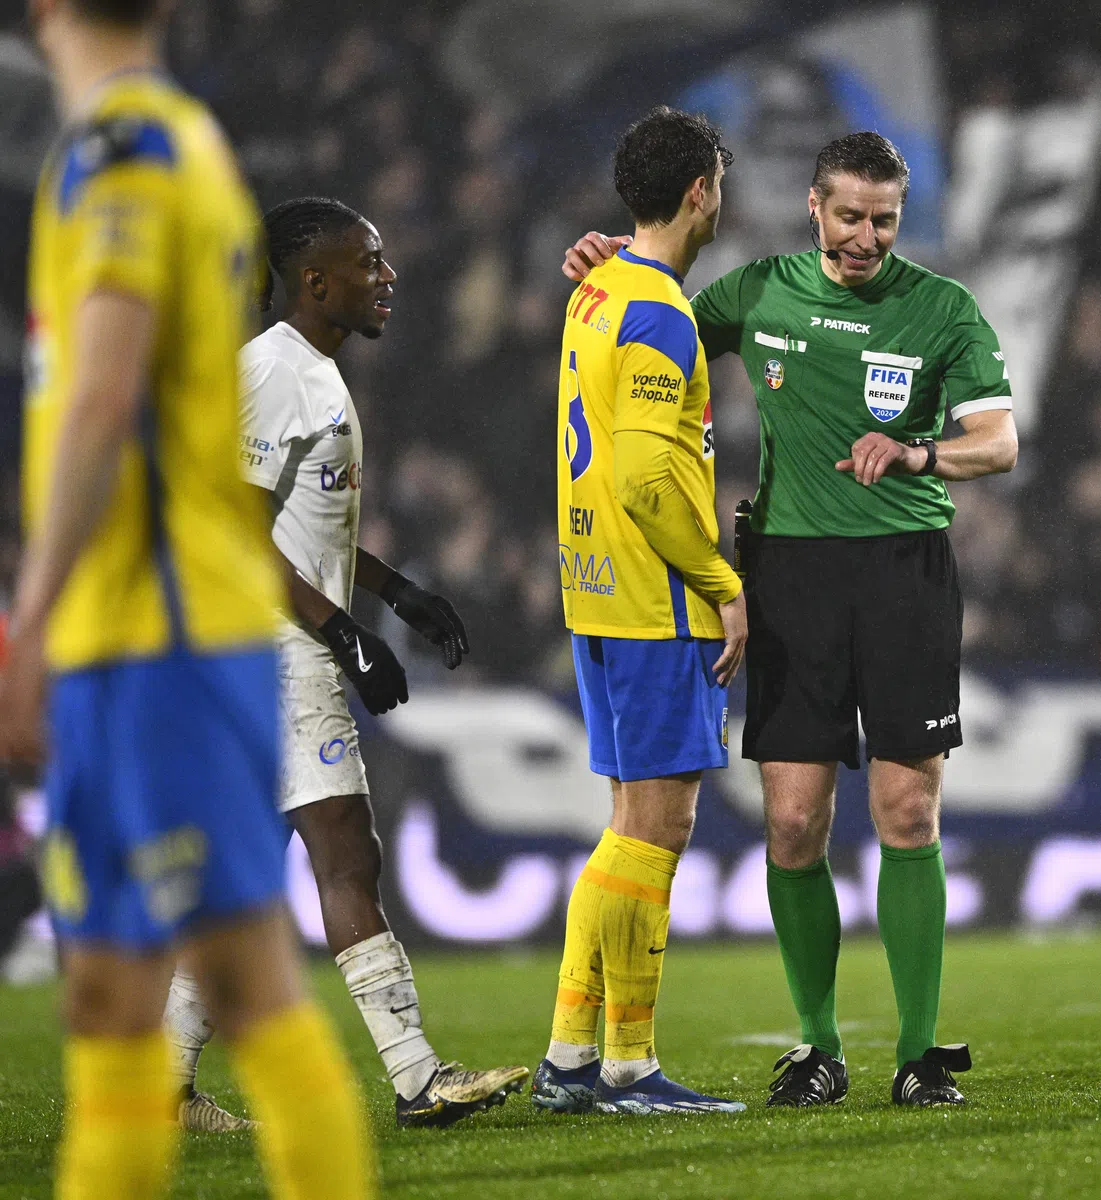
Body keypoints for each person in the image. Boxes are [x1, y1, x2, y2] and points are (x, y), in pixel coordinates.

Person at [562, 129, 1019, 1108]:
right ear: (814, 207)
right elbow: (656, 318)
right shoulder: (757, 291)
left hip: (904, 573)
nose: (865, 238)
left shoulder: (943, 310)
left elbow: (999, 439)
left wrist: (918, 454)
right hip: (790, 577)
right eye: (849, 216)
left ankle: (919, 1053)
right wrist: (612, 263)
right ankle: (817, 1049)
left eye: (884, 220)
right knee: (794, 821)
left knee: (907, 810)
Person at [0, 1, 373, 1196]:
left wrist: (31, 615)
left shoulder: (126, 152)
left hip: (158, 628)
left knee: (245, 981)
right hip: (140, 628)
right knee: (110, 997)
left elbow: (102, 396)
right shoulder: (171, 142)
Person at [161, 196, 528, 1132]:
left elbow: (298, 524)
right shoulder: (275, 372)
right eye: (368, 262)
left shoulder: (309, 370)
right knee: (348, 857)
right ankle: (417, 1078)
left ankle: (158, 1090)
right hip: (275, 653)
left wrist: (395, 592)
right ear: (314, 280)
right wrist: (339, 631)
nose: (388, 276)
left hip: (264, 647)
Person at [529, 106, 748, 1117]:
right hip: (655, 597)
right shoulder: (655, 307)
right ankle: (623, 1065)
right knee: (656, 827)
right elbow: (651, 474)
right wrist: (721, 580)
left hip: (595, 591)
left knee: (630, 822)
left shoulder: (596, 292)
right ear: (702, 191)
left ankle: (577, 1055)